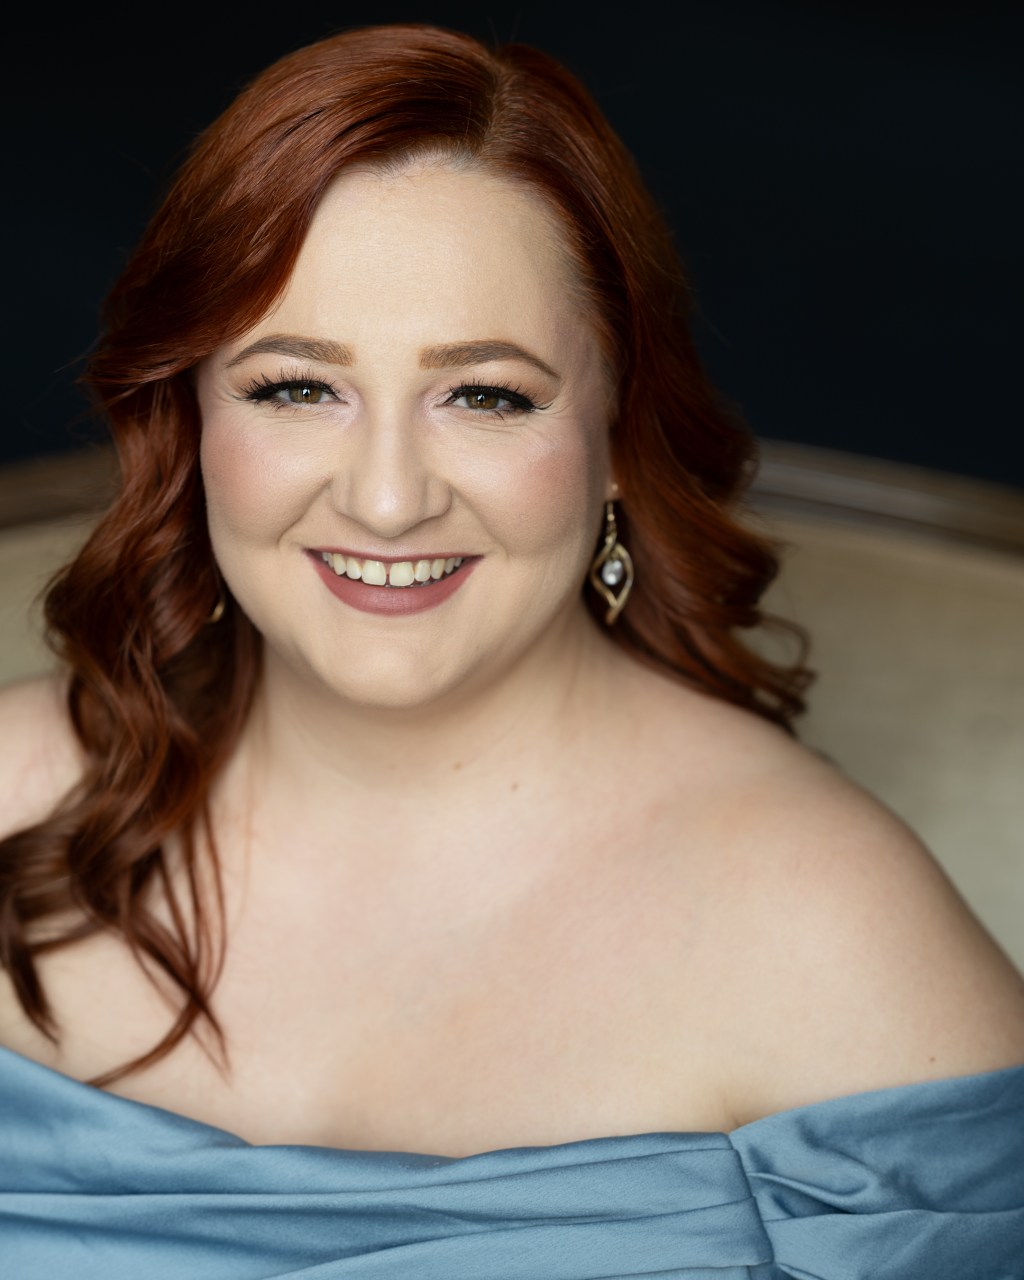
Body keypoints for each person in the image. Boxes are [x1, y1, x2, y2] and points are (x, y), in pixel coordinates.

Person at [0, 22, 1021, 1279]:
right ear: (188, 418)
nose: (385, 500)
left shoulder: (835, 936)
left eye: (485, 394)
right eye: (296, 387)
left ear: (616, 436)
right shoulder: (9, 791)